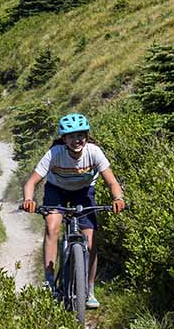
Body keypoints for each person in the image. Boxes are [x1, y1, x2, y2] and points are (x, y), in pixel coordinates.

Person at [20, 112, 125, 309]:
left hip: (83, 192)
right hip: (56, 191)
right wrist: (28, 200)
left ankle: (90, 289)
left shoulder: (94, 152)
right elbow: (31, 183)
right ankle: (49, 283)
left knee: (91, 241)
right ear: (64, 139)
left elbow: (112, 182)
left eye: (81, 135)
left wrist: (118, 198)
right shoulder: (55, 153)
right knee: (52, 227)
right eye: (71, 136)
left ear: (86, 136)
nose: (77, 140)